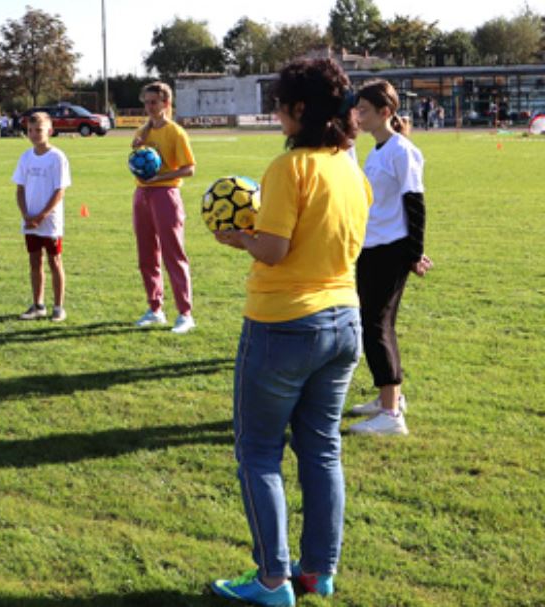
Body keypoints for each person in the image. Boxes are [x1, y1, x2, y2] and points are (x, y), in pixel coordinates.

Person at [210, 58, 369, 606]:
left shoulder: (290, 168)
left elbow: (274, 250)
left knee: (257, 453)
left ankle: (273, 581)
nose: (274, 113)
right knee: (322, 451)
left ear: (299, 109)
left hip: (283, 325)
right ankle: (318, 572)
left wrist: (240, 238)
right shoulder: (350, 165)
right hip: (345, 319)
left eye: (278, 104)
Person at [348, 80, 432, 436]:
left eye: (364, 110)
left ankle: (391, 415)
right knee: (379, 325)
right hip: (372, 247)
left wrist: (413, 255)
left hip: (391, 250)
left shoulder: (402, 151)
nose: (358, 115)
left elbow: (415, 204)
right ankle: (390, 398)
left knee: (375, 327)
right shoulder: (377, 150)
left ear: (386, 112)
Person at [129, 81, 197, 334]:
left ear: (166, 103)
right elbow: (137, 164)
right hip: (142, 194)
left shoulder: (176, 132)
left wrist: (159, 178)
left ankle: (185, 314)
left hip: (166, 194)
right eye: (146, 102)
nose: (149, 107)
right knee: (147, 256)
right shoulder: (141, 132)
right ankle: (155, 309)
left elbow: (190, 168)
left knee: (173, 255)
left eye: (154, 102)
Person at [13, 112, 71, 322]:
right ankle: (38, 305)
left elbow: (59, 191)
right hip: (30, 219)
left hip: (50, 221)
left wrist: (42, 215)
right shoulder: (26, 157)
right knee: (34, 261)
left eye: (39, 130)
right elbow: (19, 188)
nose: (34, 134)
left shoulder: (57, 157)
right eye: (30, 130)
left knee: (54, 261)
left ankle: (58, 307)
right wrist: (26, 214)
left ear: (50, 131)